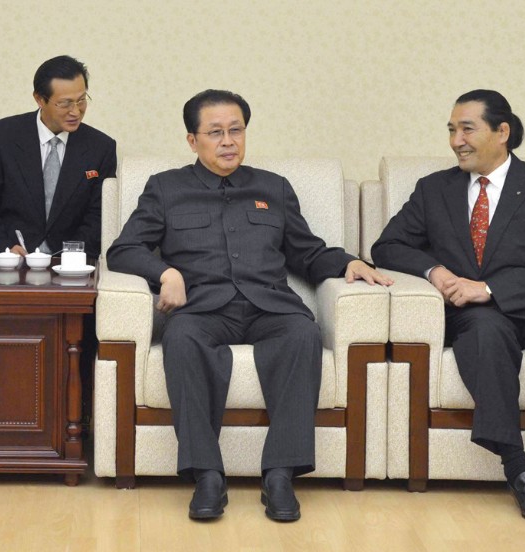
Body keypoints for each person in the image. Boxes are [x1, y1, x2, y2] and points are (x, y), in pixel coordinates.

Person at [107, 89, 391, 522]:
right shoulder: (166, 188)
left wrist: (350, 262)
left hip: (269, 306)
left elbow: (306, 251)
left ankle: (279, 474)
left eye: (236, 130)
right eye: (215, 132)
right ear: (192, 140)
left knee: (303, 334)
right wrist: (166, 273)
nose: (228, 141)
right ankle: (206, 474)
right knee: (181, 339)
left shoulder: (272, 187)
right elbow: (123, 249)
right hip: (202, 309)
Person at [371, 90, 525, 522]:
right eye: (451, 129)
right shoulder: (434, 190)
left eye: (467, 128)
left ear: (502, 132)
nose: (456, 140)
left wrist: (491, 288)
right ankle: (519, 470)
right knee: (484, 336)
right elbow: (387, 245)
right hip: (478, 314)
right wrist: (436, 273)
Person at [0, 55, 117, 258]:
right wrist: (4, 248)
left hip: (73, 265)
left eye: (81, 100)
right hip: (9, 260)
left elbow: (100, 214)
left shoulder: (101, 147)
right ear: (39, 99)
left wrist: (73, 255)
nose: (76, 111)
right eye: (65, 103)